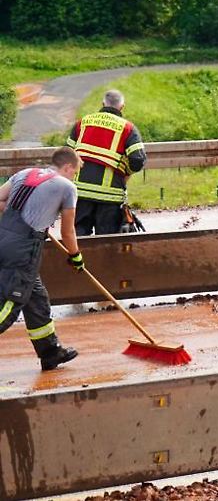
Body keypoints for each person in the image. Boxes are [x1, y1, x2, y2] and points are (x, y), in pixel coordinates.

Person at [0, 147, 86, 371]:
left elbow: (0, 200)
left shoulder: (25, 173)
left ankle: (50, 352)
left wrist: (22, 218)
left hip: (4, 236)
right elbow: (68, 232)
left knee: (36, 297)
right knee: (9, 304)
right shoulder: (67, 187)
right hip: (24, 248)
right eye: (74, 172)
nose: (73, 177)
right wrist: (75, 256)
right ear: (68, 167)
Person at [67, 89, 146, 236]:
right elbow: (138, 161)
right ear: (122, 107)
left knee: (78, 238)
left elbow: (67, 155)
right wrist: (124, 170)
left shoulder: (82, 123)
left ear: (103, 103)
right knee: (107, 242)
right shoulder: (128, 128)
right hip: (110, 197)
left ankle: (80, 260)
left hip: (80, 193)